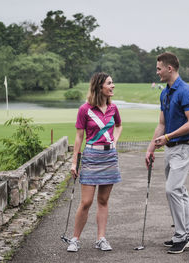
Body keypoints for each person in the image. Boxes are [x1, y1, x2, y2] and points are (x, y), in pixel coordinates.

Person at [146, 52, 189, 254]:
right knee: (179, 191)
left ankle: (181, 236)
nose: (157, 71)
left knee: (172, 189)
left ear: (170, 68)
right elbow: (162, 123)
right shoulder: (165, 92)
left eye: (159, 68)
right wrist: (150, 148)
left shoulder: (185, 91)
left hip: (184, 147)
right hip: (170, 149)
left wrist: (168, 137)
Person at [67, 72, 123, 252]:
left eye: (112, 83)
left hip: (109, 158)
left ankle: (101, 239)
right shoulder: (85, 109)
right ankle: (75, 239)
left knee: (103, 200)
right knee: (86, 202)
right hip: (91, 157)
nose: (113, 86)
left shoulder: (113, 108)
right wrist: (74, 162)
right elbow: (78, 137)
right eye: (109, 83)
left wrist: (113, 142)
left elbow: (119, 125)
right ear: (100, 87)